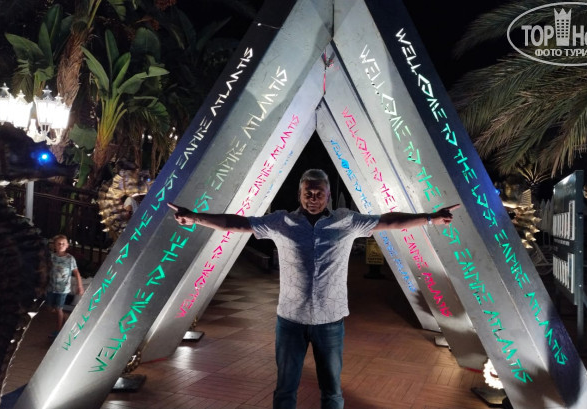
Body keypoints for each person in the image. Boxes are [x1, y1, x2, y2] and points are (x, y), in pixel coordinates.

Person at [168, 169, 458, 409]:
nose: (314, 198)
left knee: (331, 391)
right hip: (290, 320)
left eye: (320, 193)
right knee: (285, 389)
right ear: (300, 194)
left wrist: (431, 218)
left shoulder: (347, 221)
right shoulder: (282, 222)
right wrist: (196, 218)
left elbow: (390, 220)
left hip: (330, 321)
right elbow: (238, 224)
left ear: (328, 195)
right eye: (308, 193)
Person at [46, 235, 84, 337]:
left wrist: (80, 286)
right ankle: (64, 315)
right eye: (58, 243)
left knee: (58, 308)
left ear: (67, 245)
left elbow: (76, 273)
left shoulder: (70, 259)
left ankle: (58, 331)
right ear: (54, 245)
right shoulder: (51, 257)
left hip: (63, 289)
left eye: (63, 243)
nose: (61, 245)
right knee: (49, 308)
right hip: (51, 287)